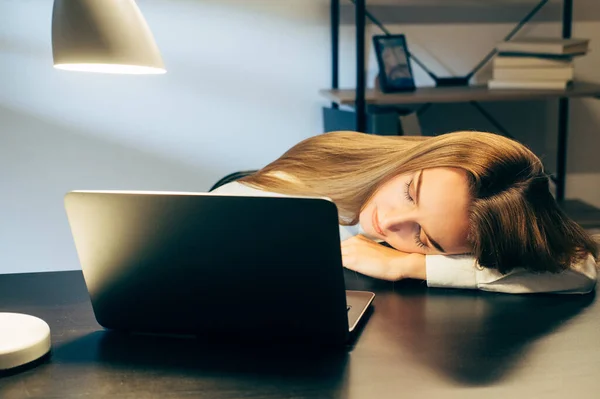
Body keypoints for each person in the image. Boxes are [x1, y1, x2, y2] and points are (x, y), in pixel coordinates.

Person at [212, 130, 598, 294]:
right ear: (421, 156)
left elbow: (577, 271)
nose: (390, 223)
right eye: (410, 194)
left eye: (422, 238)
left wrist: (410, 266)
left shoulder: (439, 247)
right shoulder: (331, 162)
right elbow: (220, 208)